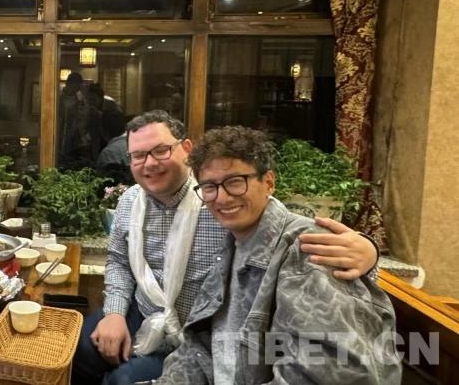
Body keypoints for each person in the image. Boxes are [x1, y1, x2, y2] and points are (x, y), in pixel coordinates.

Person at [71, 110, 379, 385]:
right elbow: (119, 260)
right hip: (148, 314)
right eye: (138, 155)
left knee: (124, 378)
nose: (149, 163)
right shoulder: (130, 202)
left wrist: (367, 250)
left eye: (161, 150)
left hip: (198, 330)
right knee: (78, 349)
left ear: (186, 149)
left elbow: (288, 230)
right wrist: (114, 313)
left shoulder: (222, 209)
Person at [155, 126, 399, 383]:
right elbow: (200, 349)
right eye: (209, 186)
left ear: (269, 182)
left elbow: (326, 373)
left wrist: (370, 249)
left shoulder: (308, 248)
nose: (222, 197)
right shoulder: (233, 243)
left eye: (235, 182)